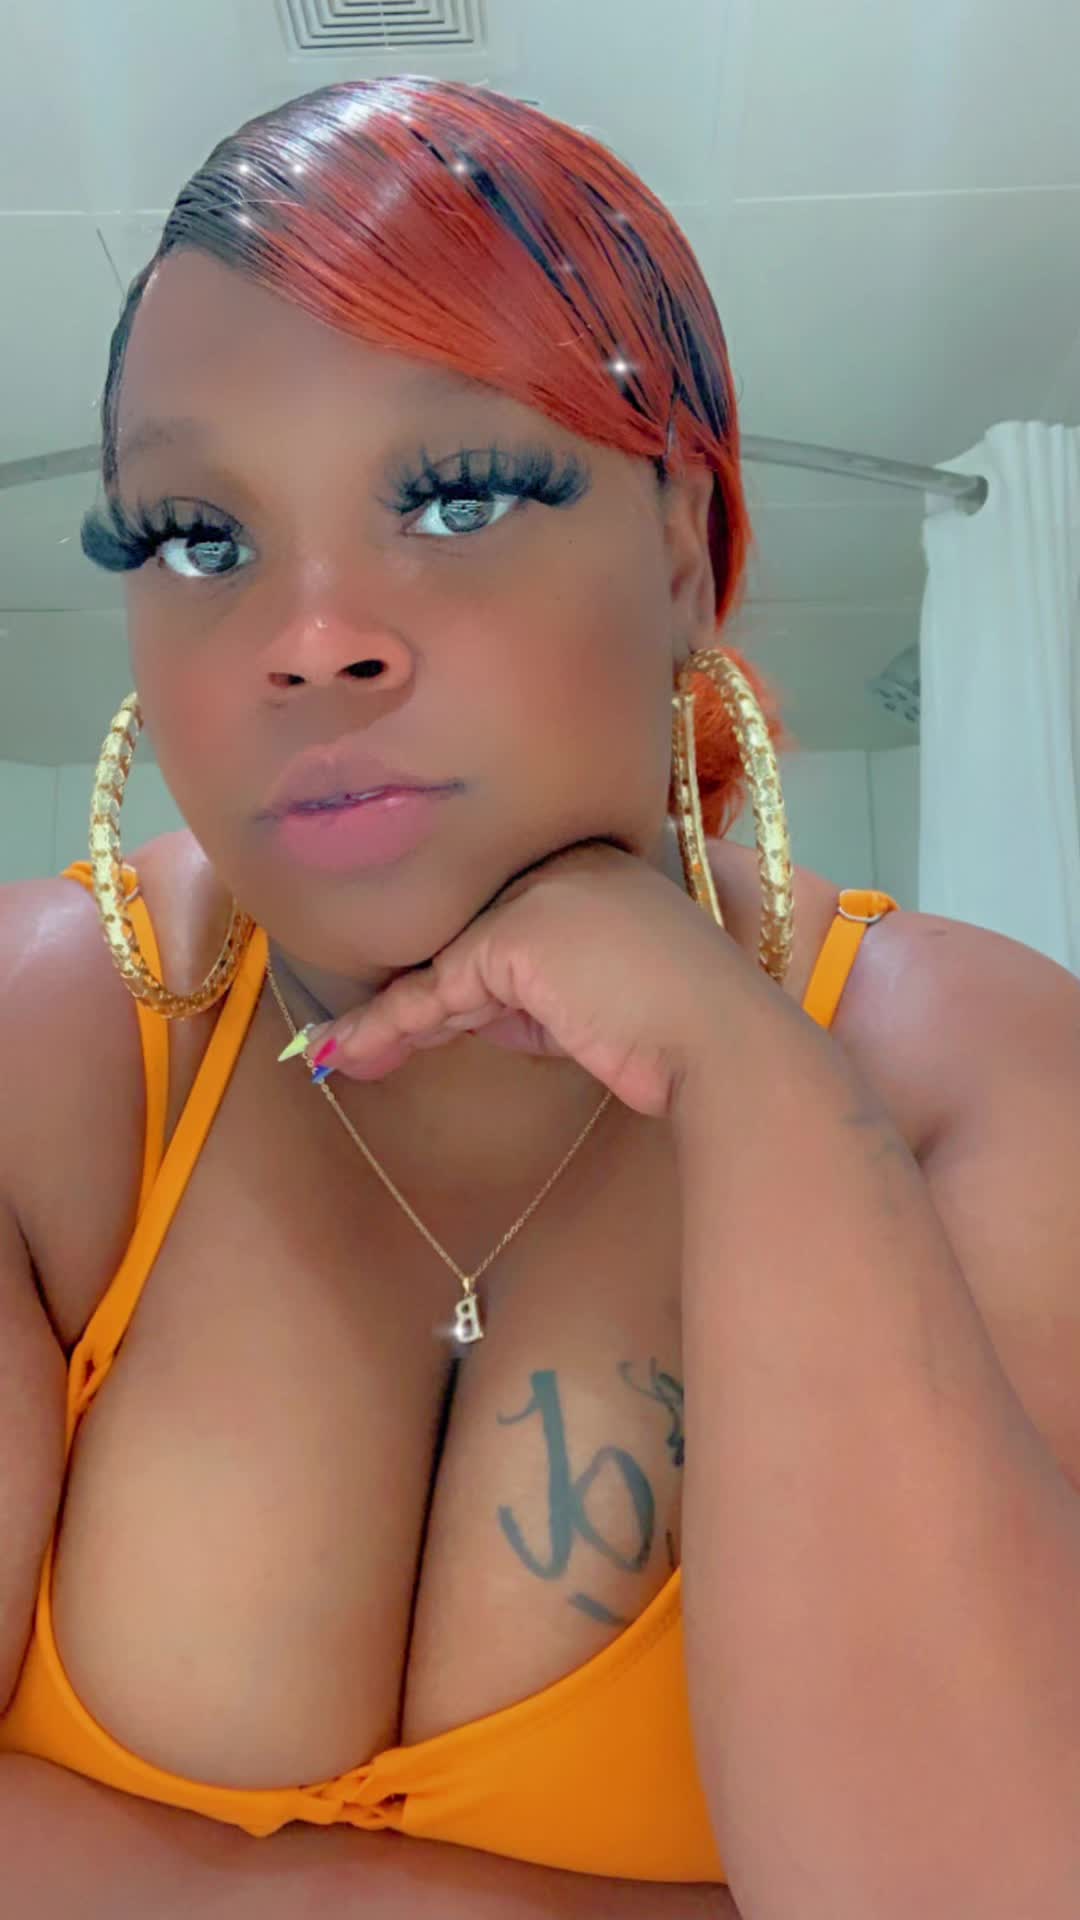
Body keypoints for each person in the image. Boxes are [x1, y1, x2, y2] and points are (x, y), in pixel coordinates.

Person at [3, 75, 1079, 1920]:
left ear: (684, 553)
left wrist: (753, 1080)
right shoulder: (53, 1045)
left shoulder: (966, 1070)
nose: (310, 637)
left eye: (458, 496)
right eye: (196, 535)